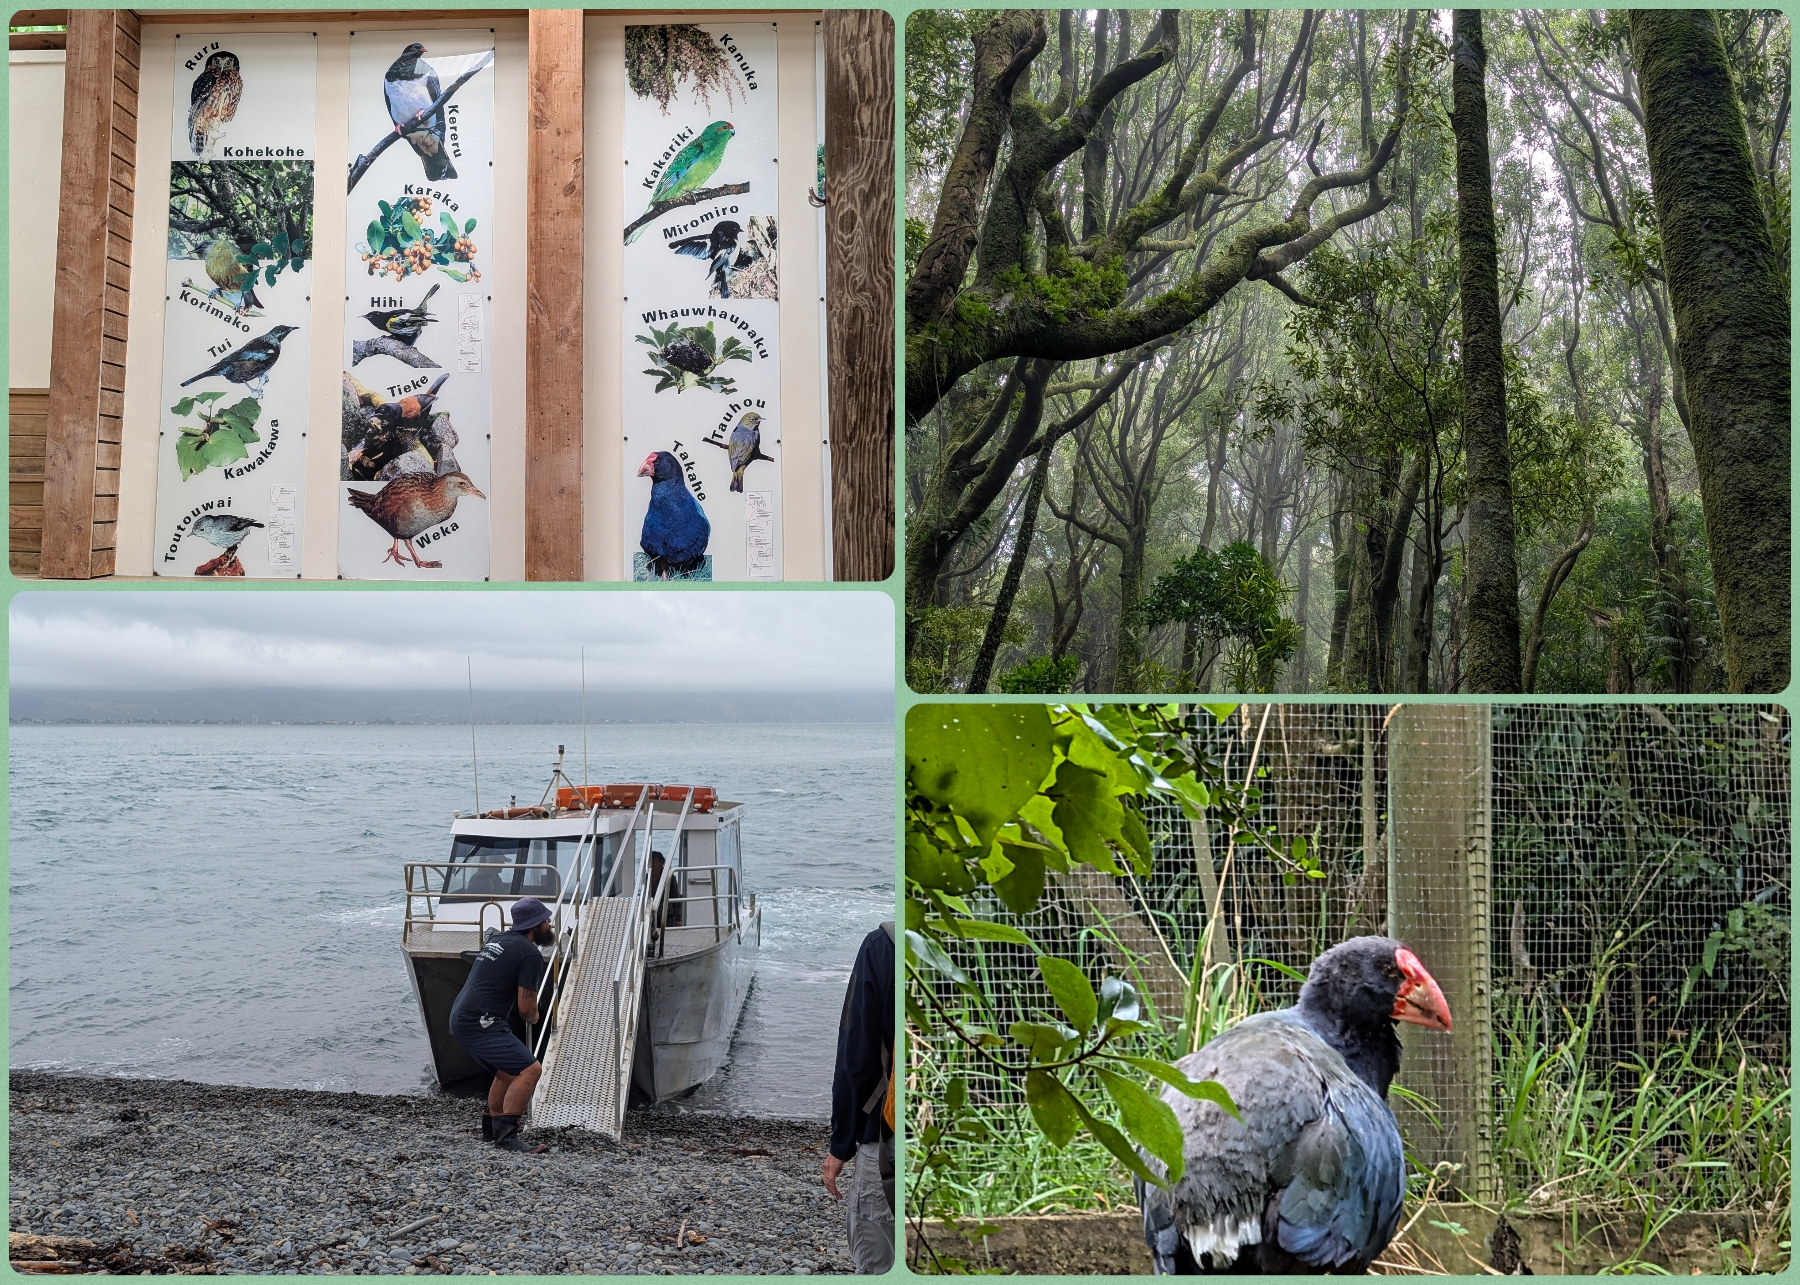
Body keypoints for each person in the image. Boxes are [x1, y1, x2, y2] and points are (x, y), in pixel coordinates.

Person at [448, 896, 555, 1153]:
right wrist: (535, 1018)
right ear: (535, 925)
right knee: (530, 1070)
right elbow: (526, 1007)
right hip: (481, 1021)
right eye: (545, 920)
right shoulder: (530, 953)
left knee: (507, 1072)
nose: (549, 923)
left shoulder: (497, 940)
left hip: (462, 1016)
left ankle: (492, 1130)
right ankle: (507, 1139)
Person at [824, 921, 895, 1273]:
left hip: (888, 1137)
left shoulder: (884, 945)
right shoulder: (983, 942)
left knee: (877, 1261)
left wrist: (841, 1145)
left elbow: (856, 1055)